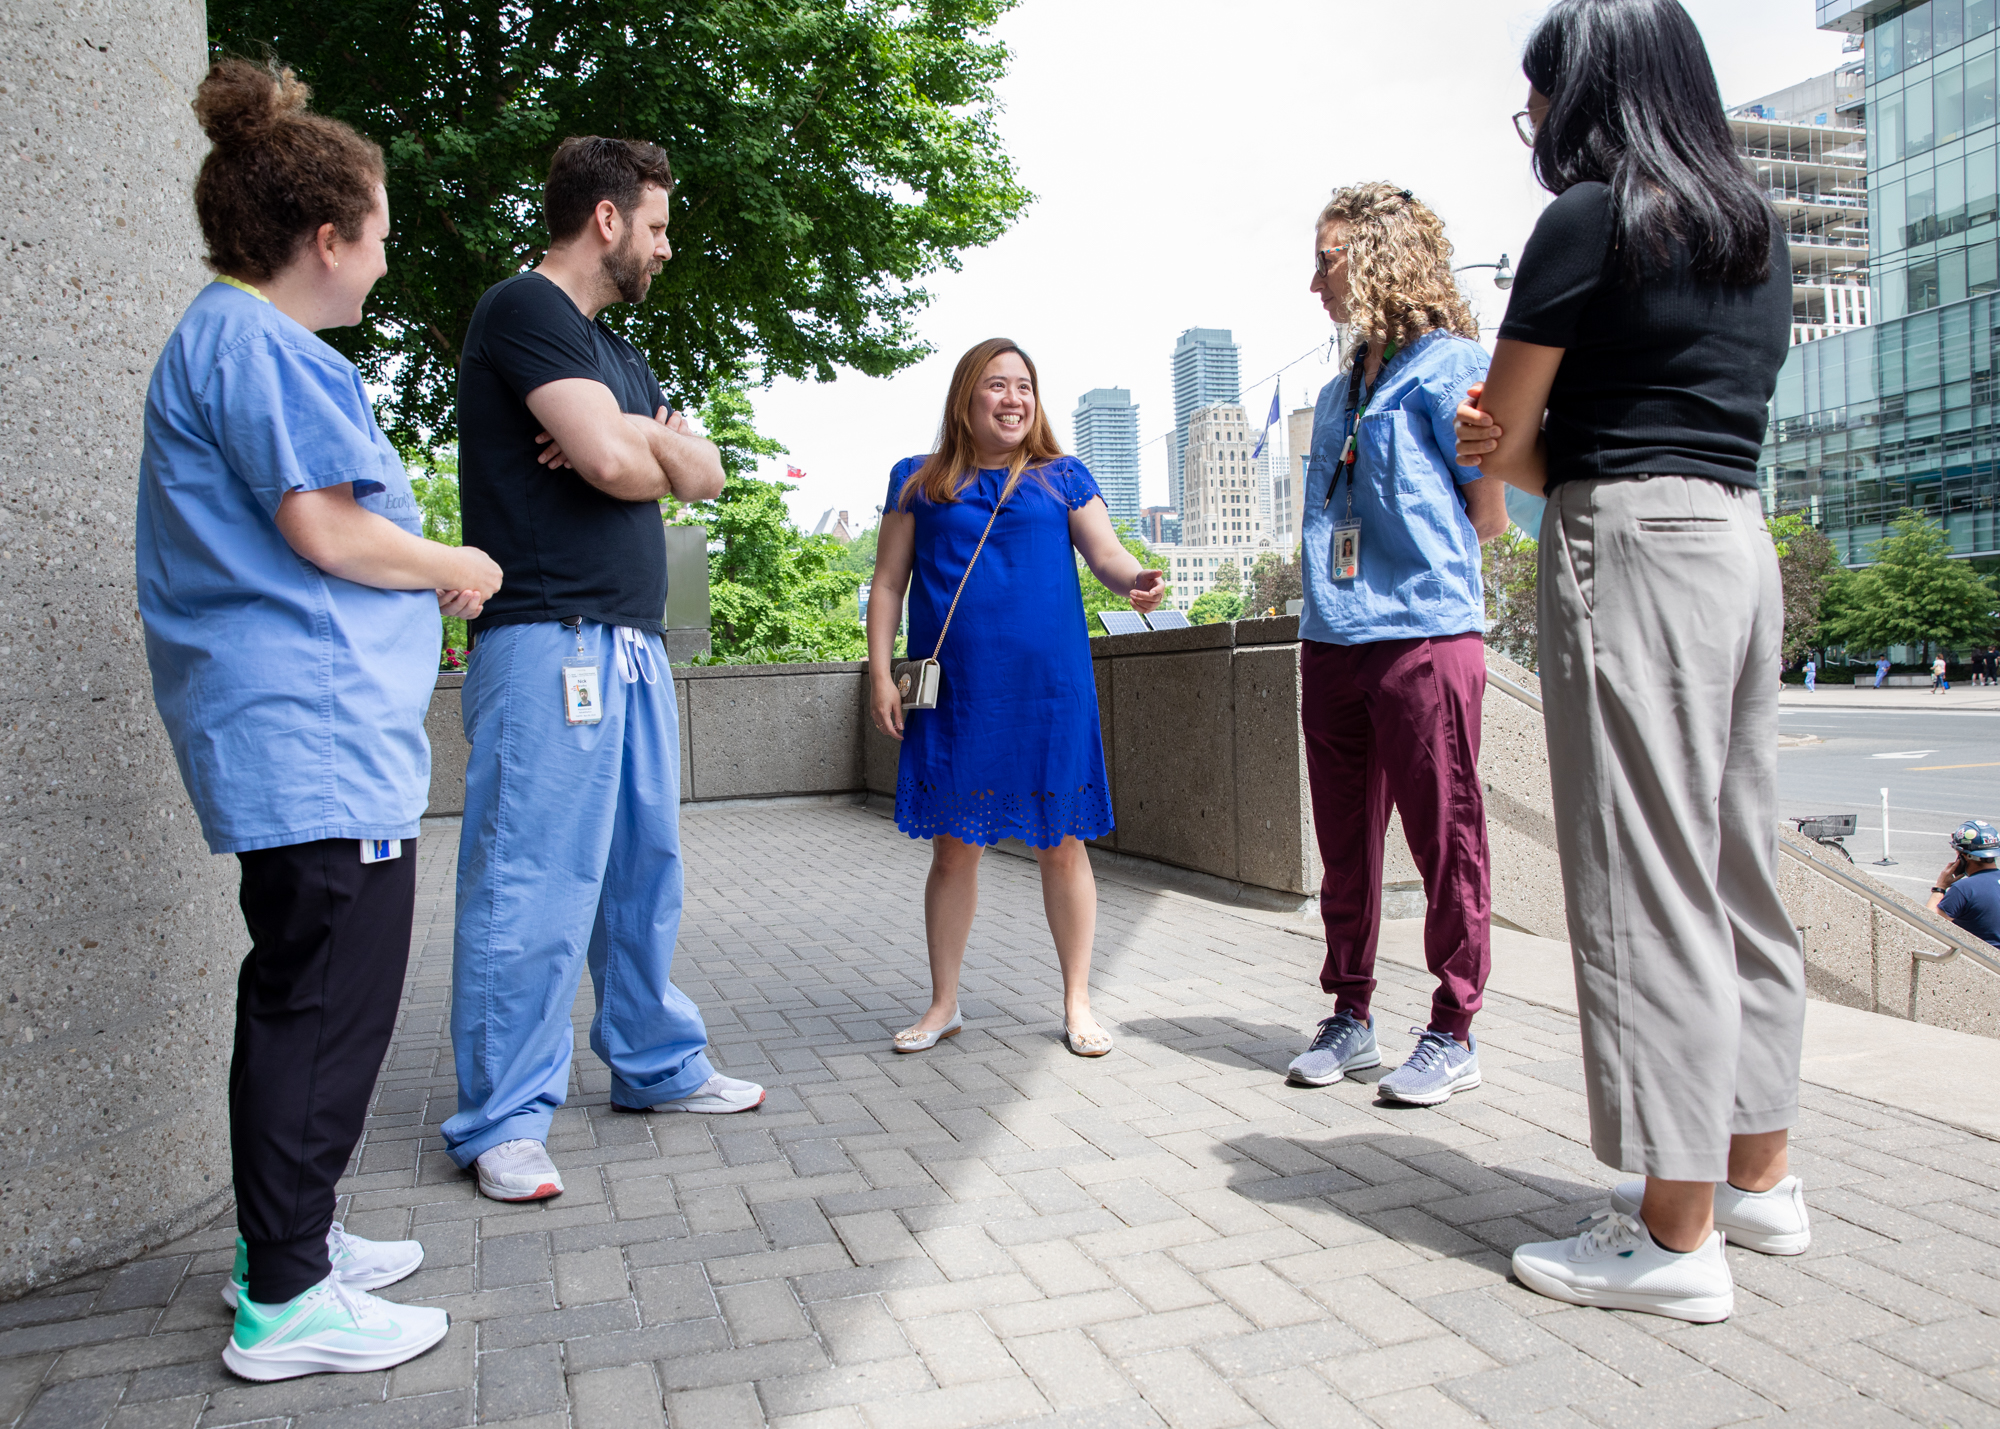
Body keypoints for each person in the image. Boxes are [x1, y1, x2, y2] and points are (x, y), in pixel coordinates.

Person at [139, 59, 503, 1380]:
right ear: (327, 239)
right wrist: (454, 562)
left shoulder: (230, 336)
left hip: (309, 732)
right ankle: (286, 1301)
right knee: (323, 1000)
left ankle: (291, 1242)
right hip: (310, 735)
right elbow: (325, 525)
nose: (388, 262)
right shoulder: (258, 345)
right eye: (384, 235)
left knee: (311, 991)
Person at [1452, 0, 1808, 1322]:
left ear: (1587, 91)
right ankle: (1756, 1174)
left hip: (1634, 547)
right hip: (1738, 540)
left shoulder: (1589, 218)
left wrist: (1483, 442)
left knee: (1647, 883)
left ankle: (1672, 1237)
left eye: (1538, 95)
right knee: (1736, 867)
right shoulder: (1750, 231)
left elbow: (1521, 446)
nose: (1533, 122)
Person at [445, 137, 763, 1204]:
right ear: (608, 220)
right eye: (660, 226)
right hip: (549, 641)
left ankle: (656, 1064)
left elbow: (703, 474)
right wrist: (634, 446)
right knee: (530, 883)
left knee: (642, 874)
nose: (667, 248)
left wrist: (627, 428)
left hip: (631, 644)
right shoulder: (522, 311)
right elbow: (624, 468)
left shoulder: (616, 357)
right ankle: (502, 1117)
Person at [866, 339, 1164, 1058]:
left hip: (1049, 692)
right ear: (966, 399)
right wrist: (880, 673)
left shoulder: (1062, 476)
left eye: (1024, 386)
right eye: (996, 385)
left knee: (1062, 844)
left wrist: (1134, 581)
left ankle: (1078, 1002)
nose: (1013, 398)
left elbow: (1106, 553)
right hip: (959, 695)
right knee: (954, 849)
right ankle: (943, 1003)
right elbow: (886, 584)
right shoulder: (918, 480)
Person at [1284, 184, 1508, 1106]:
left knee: (1445, 836)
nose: (1313, 281)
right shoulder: (1342, 389)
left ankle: (1454, 1028)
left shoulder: (1455, 366)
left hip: (1424, 633)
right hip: (1331, 635)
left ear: (1376, 257)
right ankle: (1352, 1014)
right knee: (1347, 845)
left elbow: (1488, 516)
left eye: (1327, 258)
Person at [1931, 821, 2000, 947]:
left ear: (1965, 856)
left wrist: (1940, 888)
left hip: (1983, 962)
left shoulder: (1964, 889)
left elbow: (1927, 923)